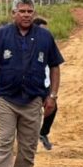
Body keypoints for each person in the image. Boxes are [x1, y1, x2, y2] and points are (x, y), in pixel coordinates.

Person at [0, 0, 64, 167]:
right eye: (22, 11)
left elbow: (54, 66)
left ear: (34, 14)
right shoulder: (1, 35)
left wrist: (52, 95)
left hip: (34, 99)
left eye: (29, 11)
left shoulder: (45, 37)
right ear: (13, 13)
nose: (26, 15)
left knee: (28, 143)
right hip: (7, 97)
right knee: (5, 139)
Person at [32, 17, 57, 150]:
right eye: (43, 30)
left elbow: (54, 66)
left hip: (45, 82)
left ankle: (43, 133)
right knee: (31, 112)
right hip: (31, 84)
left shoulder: (47, 43)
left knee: (52, 107)